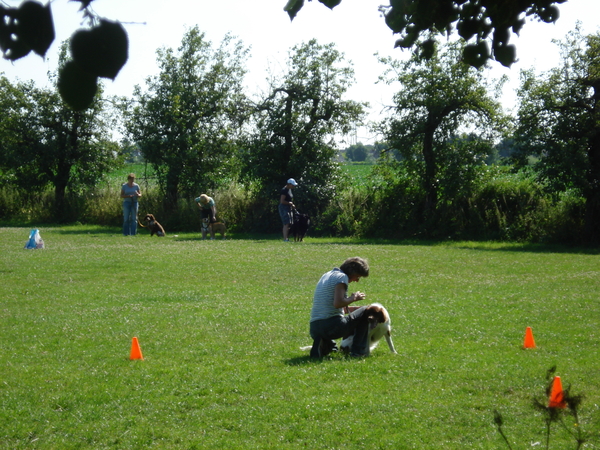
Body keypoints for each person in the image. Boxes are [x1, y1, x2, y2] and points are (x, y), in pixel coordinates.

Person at [309, 257, 372, 358]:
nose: (356, 280)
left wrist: (356, 310)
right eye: (358, 277)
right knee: (366, 311)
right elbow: (338, 304)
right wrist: (353, 298)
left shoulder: (327, 275)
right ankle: (358, 352)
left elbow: (333, 307)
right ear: (353, 272)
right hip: (331, 327)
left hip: (315, 329)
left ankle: (325, 344)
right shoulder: (342, 277)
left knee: (333, 349)